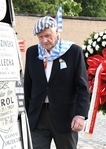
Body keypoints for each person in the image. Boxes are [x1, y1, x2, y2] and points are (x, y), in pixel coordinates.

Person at [23, 16, 90, 149]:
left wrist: (80, 115)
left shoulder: (73, 51)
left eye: (48, 35)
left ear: (57, 32)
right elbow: (28, 86)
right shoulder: (32, 53)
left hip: (65, 117)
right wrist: (25, 113)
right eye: (40, 37)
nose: (44, 40)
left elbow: (82, 86)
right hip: (38, 116)